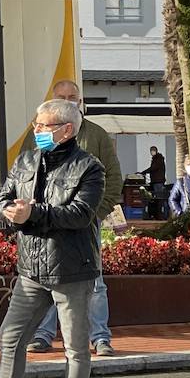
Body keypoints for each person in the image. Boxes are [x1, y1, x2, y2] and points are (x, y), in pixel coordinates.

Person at [0, 98, 104, 378]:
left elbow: (79, 214)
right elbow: (4, 194)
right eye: (36, 124)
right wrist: (10, 209)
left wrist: (34, 214)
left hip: (72, 270)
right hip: (31, 269)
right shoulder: (28, 158)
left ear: (66, 130)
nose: (37, 130)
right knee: (10, 337)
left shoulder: (89, 168)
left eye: (43, 126)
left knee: (75, 348)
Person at [25, 79, 122, 358]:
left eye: (73, 98)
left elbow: (113, 178)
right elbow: (25, 176)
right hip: (47, 223)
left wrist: (94, 213)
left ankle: (100, 337)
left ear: (80, 103)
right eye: (62, 97)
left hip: (84, 223)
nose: (68, 102)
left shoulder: (97, 135)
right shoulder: (40, 136)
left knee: (95, 282)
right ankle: (43, 335)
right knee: (45, 280)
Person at [141, 145, 168, 219]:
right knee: (156, 199)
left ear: (155, 151)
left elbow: (153, 168)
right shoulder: (156, 159)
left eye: (152, 151)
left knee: (159, 199)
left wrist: (144, 172)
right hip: (156, 181)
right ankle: (157, 215)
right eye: (151, 151)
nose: (151, 152)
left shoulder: (158, 159)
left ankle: (160, 215)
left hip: (158, 181)